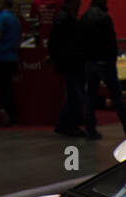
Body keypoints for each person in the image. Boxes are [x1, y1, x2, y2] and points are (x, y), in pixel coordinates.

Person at [80, 0, 126, 138]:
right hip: (105, 62)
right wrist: (112, 57)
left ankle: (90, 129)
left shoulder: (84, 18)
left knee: (90, 97)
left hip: (90, 62)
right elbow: (110, 41)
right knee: (116, 96)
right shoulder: (104, 17)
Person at [50, 0, 85, 136]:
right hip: (70, 63)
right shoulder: (65, 18)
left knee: (72, 95)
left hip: (70, 62)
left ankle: (63, 124)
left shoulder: (64, 18)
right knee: (74, 95)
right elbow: (57, 42)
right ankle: (70, 125)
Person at [0, 0, 21, 125]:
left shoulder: (1, 18)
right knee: (8, 88)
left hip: (1, 57)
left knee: (2, 89)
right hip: (12, 57)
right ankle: (13, 116)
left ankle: (7, 117)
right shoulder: (15, 19)